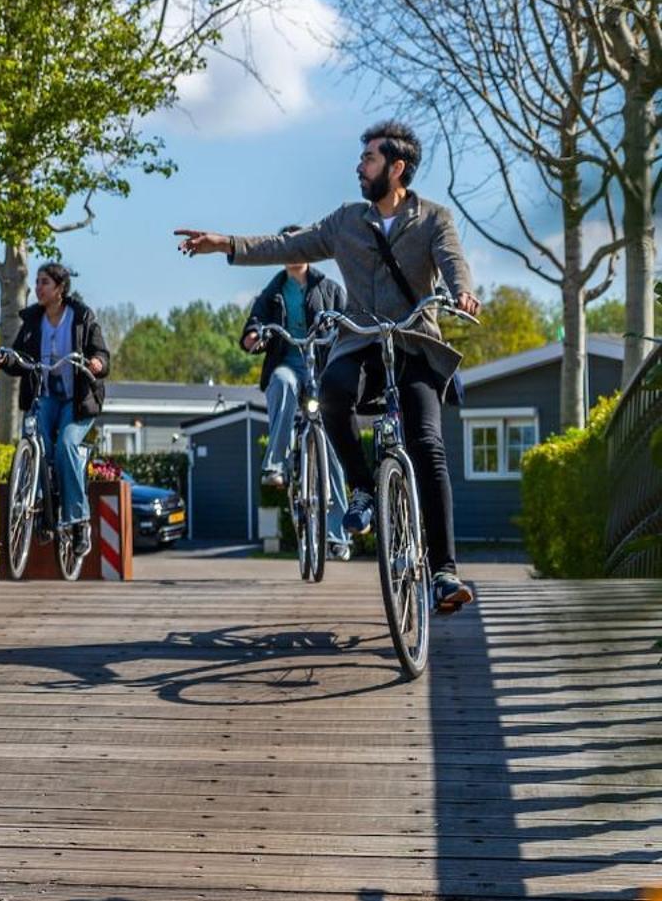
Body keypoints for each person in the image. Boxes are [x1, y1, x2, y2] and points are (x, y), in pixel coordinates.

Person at [175, 118, 484, 613]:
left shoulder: (433, 219)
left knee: (428, 444)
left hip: (415, 342)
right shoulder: (346, 222)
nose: (359, 167)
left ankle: (445, 571)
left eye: (369, 159)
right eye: (362, 159)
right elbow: (287, 246)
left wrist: (463, 291)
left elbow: (453, 261)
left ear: (396, 168)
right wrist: (226, 243)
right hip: (360, 341)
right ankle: (362, 487)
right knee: (333, 392)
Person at [241, 237, 352, 564]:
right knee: (282, 383)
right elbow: (255, 323)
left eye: (298, 250)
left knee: (332, 450)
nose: (293, 257)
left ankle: (338, 535)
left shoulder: (329, 288)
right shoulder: (271, 292)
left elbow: (349, 319)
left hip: (323, 369)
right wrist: (253, 336)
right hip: (288, 365)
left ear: (307, 254)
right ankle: (275, 464)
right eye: (286, 252)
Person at [0, 263, 112, 556]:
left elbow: (101, 354)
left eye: (45, 282)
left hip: (76, 400)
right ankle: (42, 507)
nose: (39, 287)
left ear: (60, 288)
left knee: (66, 446)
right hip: (45, 397)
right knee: (34, 440)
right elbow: (18, 359)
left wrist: (96, 363)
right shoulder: (32, 320)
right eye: (37, 282)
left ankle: (79, 521)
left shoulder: (81, 316)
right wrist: (4, 359)